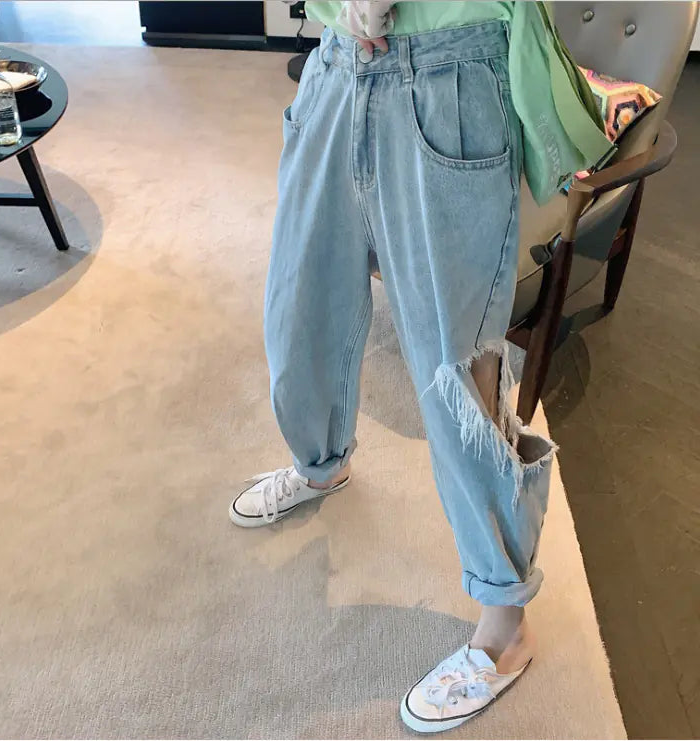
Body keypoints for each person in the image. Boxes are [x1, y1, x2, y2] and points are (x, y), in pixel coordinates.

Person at [230, 1, 613, 733]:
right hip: (336, 64)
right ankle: (320, 464)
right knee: (299, 307)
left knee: (457, 367)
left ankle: (504, 624)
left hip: (448, 71)